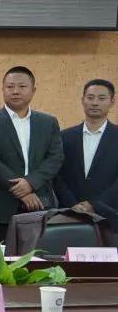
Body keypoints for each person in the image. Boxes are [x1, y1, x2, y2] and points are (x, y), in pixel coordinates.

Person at [0, 66, 64, 243]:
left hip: (41, 204)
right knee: (0, 257)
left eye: (22, 86)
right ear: (3, 90)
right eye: (10, 87)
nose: (15, 91)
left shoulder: (48, 122)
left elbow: (55, 158)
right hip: (0, 208)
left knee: (40, 256)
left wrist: (30, 183)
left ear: (33, 90)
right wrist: (21, 191)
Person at [54, 78, 118, 215]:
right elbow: (57, 175)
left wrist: (95, 206)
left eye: (101, 98)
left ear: (112, 102)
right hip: (70, 212)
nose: (95, 103)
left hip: (111, 214)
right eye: (90, 97)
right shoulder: (64, 137)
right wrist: (73, 205)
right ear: (82, 100)